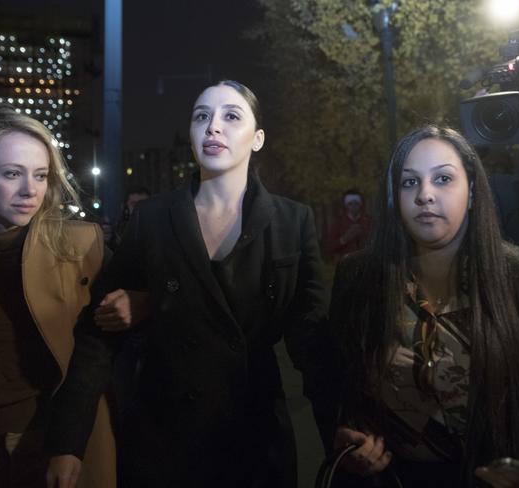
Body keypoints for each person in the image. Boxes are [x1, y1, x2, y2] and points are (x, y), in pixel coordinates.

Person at [46, 80, 327, 488]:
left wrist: (343, 425)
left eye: (231, 116)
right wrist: (67, 441)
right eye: (202, 117)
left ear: (258, 138)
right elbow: (98, 335)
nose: (213, 127)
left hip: (255, 435)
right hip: (164, 439)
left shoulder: (292, 222)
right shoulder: (152, 219)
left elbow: (313, 338)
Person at [326, 125, 519, 487]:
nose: (425, 194)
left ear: (472, 192)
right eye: (409, 183)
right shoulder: (357, 278)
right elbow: (335, 379)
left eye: (442, 179)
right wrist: (345, 436)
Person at [0, 103, 116, 488]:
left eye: (40, 175)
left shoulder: (81, 246)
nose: (30, 190)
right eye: (12, 174)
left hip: (59, 442)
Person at [327, 188, 372, 262]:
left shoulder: (369, 221)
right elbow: (330, 247)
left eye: (356, 203)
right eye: (350, 203)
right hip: (345, 264)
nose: (353, 206)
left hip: (366, 263)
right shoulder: (338, 222)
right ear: (346, 205)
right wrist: (344, 238)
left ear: (360, 204)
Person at [109, 186, 151, 250]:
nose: (140, 209)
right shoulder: (117, 231)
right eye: (135, 205)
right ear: (125, 207)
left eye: (145, 204)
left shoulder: (159, 232)